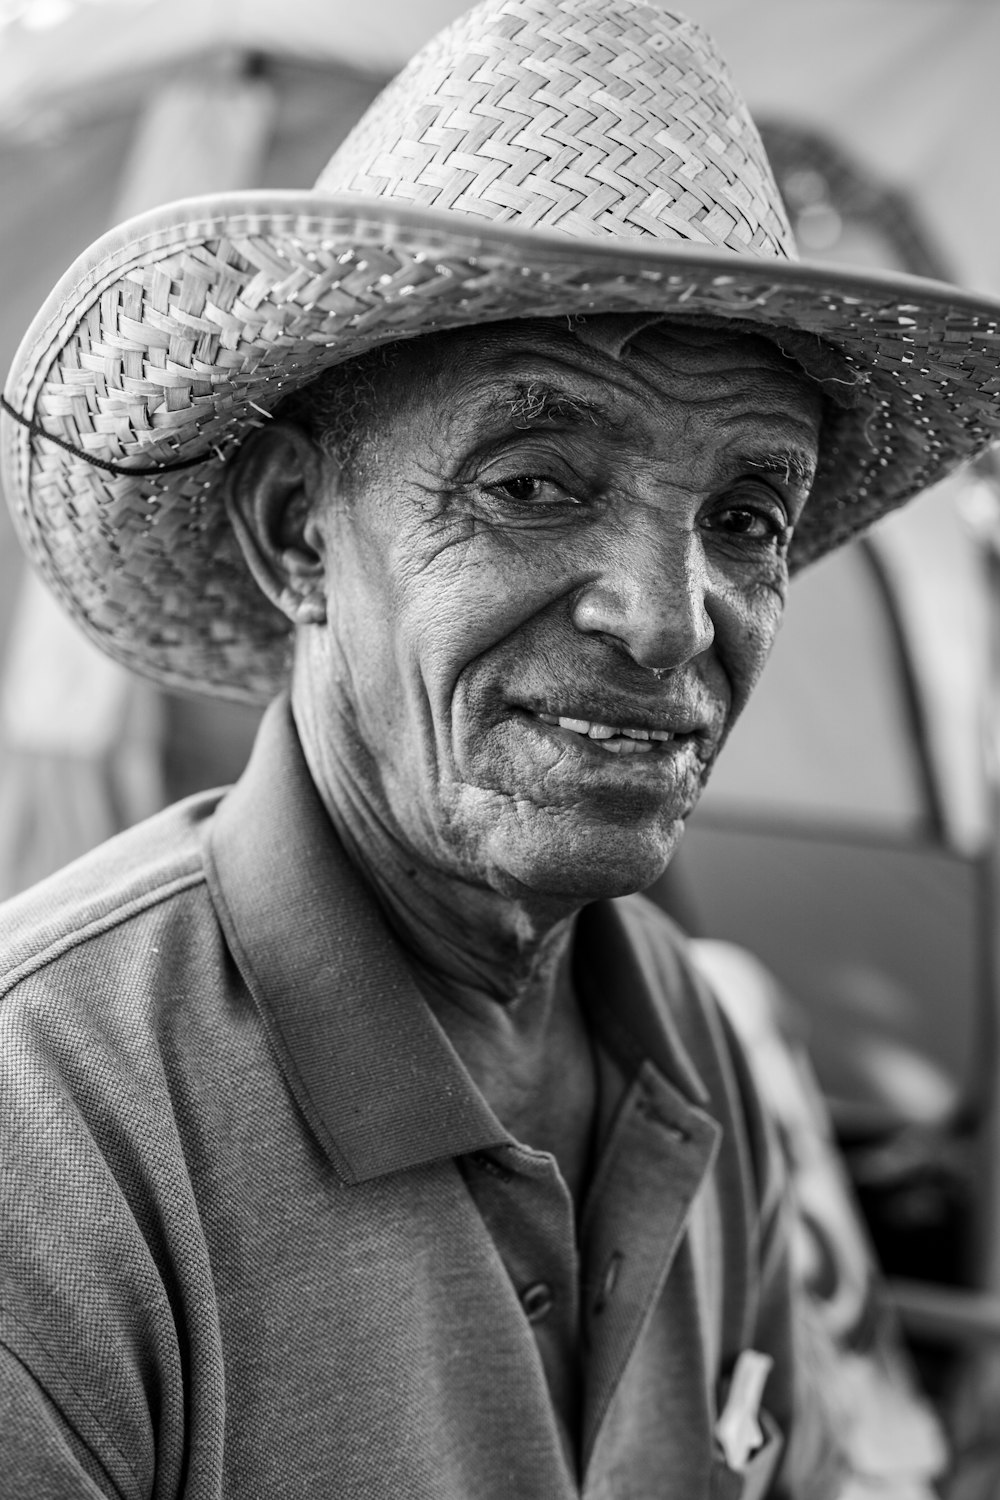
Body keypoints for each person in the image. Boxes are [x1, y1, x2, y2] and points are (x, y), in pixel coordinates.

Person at [0, 1, 997, 1495]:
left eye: (744, 519)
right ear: (298, 533)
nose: (668, 622)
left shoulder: (691, 1031)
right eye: (534, 482)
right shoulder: (49, 1145)